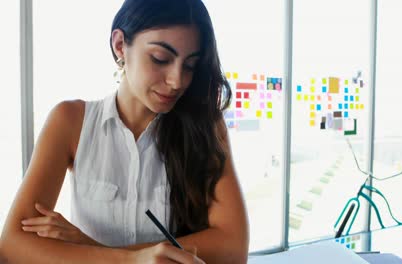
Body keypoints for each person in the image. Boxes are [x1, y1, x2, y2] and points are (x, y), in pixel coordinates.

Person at [0, 0, 249, 263]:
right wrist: (131, 260)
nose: (177, 81)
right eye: (160, 58)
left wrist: (90, 248)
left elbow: (232, 248)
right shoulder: (71, 121)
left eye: (190, 65)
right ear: (120, 45)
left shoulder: (205, 127)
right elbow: (13, 245)